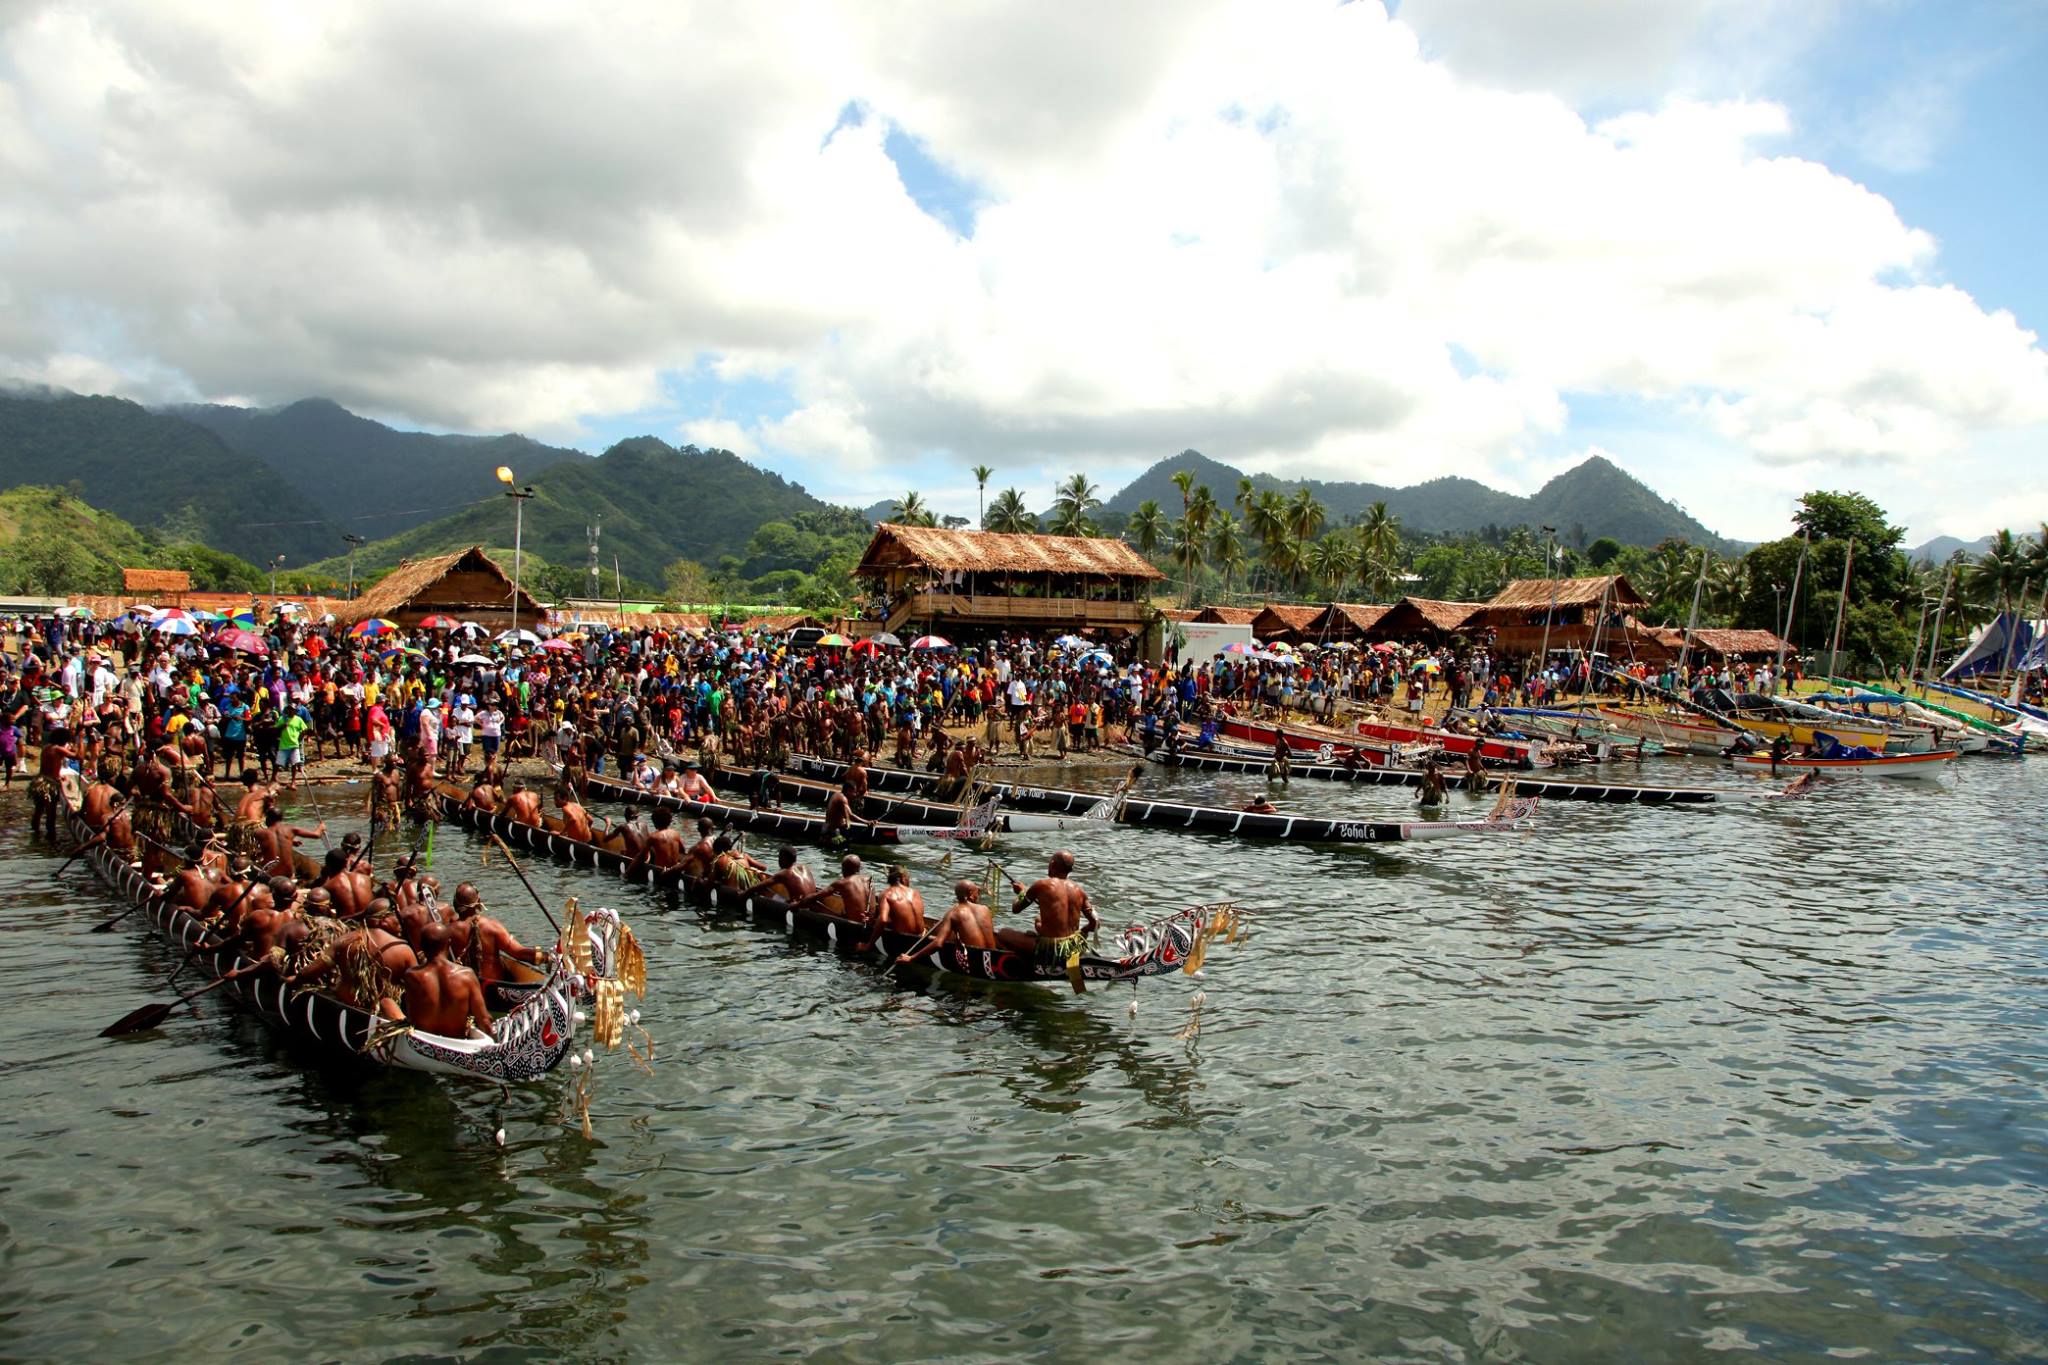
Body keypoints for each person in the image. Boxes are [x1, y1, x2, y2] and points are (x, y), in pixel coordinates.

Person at [995, 850, 1099, 969]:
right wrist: (1083, 932)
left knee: (1002, 934)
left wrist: (1022, 892)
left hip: (1051, 949)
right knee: (1038, 921)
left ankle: (1020, 966)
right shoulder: (1079, 890)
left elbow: (1016, 908)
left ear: (1052, 864)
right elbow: (1095, 923)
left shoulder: (1041, 885)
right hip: (1073, 947)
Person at [446, 882, 548, 988]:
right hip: (493, 987)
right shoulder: (492, 927)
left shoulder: (449, 931)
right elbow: (519, 953)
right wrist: (545, 957)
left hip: (465, 987)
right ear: (479, 902)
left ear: (455, 904)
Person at [401, 923, 493, 1037]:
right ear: (449, 944)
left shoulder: (412, 976)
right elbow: (484, 1020)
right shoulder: (467, 976)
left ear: (421, 946)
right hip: (455, 1042)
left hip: (424, 1041)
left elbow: (411, 1016)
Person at [895, 880, 997, 963]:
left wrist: (911, 958)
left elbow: (938, 944)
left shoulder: (953, 913)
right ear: (970, 894)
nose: (978, 895)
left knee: (942, 935)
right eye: (977, 892)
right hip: (993, 956)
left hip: (974, 960)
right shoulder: (985, 909)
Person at [791, 853, 872, 922]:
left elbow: (814, 897)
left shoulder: (842, 883)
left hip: (853, 923)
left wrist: (796, 904)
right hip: (867, 920)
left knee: (813, 904)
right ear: (858, 869)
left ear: (843, 869)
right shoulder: (869, 881)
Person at [861, 863, 925, 949]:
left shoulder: (887, 894)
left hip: (904, 941)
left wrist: (869, 944)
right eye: (908, 878)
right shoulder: (915, 892)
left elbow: (883, 920)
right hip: (921, 937)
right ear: (903, 878)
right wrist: (874, 921)